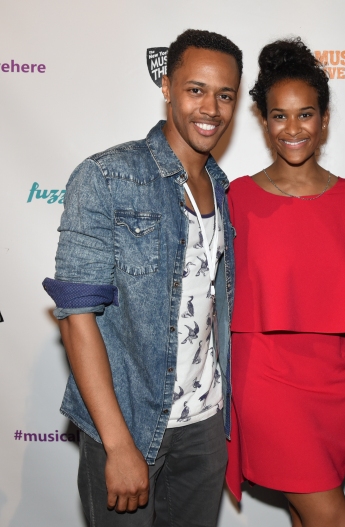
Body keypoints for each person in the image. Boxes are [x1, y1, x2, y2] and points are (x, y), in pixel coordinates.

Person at [42, 29, 242, 526]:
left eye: (225, 95)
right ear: (167, 87)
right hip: (130, 425)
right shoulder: (106, 176)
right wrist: (117, 443)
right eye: (196, 89)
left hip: (204, 426)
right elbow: (76, 316)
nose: (211, 108)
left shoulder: (223, 188)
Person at [225, 38, 345, 527]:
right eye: (279, 116)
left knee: (305, 511)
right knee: (330, 515)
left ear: (325, 119)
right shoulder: (237, 199)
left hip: (337, 379)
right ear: (265, 122)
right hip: (267, 378)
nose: (293, 128)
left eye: (305, 114)